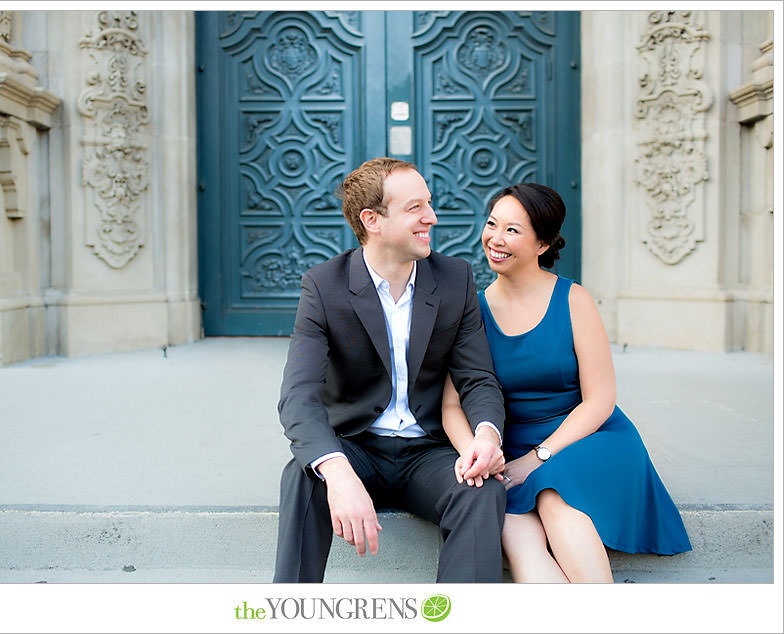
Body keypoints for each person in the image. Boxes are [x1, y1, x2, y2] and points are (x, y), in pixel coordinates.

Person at [442, 182, 692, 583]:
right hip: (508, 446)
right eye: (493, 224)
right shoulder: (473, 309)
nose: (496, 238)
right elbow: (452, 405)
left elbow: (600, 400)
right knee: (513, 531)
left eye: (513, 230)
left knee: (555, 498)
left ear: (543, 244)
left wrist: (536, 459)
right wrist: (474, 453)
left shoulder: (574, 299)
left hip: (585, 436)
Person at [273, 157, 508, 583]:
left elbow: (477, 378)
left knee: (483, 488)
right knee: (306, 475)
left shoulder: (455, 279)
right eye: (415, 207)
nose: (431, 218)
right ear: (372, 220)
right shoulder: (324, 286)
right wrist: (337, 471)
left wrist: (487, 434)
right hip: (357, 445)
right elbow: (299, 395)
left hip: (430, 453)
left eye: (429, 204)